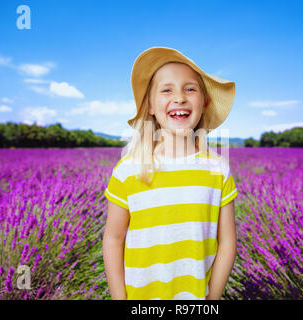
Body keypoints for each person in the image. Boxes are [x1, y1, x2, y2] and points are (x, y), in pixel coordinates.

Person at [103, 47, 238, 300]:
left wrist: (214, 297)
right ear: (151, 105)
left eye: (190, 89)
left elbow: (227, 242)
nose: (179, 98)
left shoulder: (218, 170)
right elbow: (113, 239)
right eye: (167, 90)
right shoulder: (128, 171)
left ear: (204, 102)